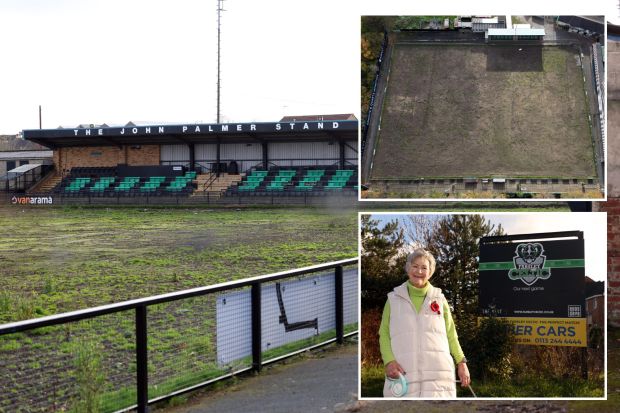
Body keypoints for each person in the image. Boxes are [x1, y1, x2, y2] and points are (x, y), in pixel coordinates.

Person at [379, 248, 471, 398]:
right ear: (408, 268)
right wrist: (389, 361)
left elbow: (451, 334)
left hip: (439, 379)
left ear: (430, 272)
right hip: (403, 375)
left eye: (424, 268)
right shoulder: (393, 300)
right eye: (415, 266)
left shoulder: (440, 299)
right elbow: (383, 333)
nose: (419, 271)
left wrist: (462, 363)